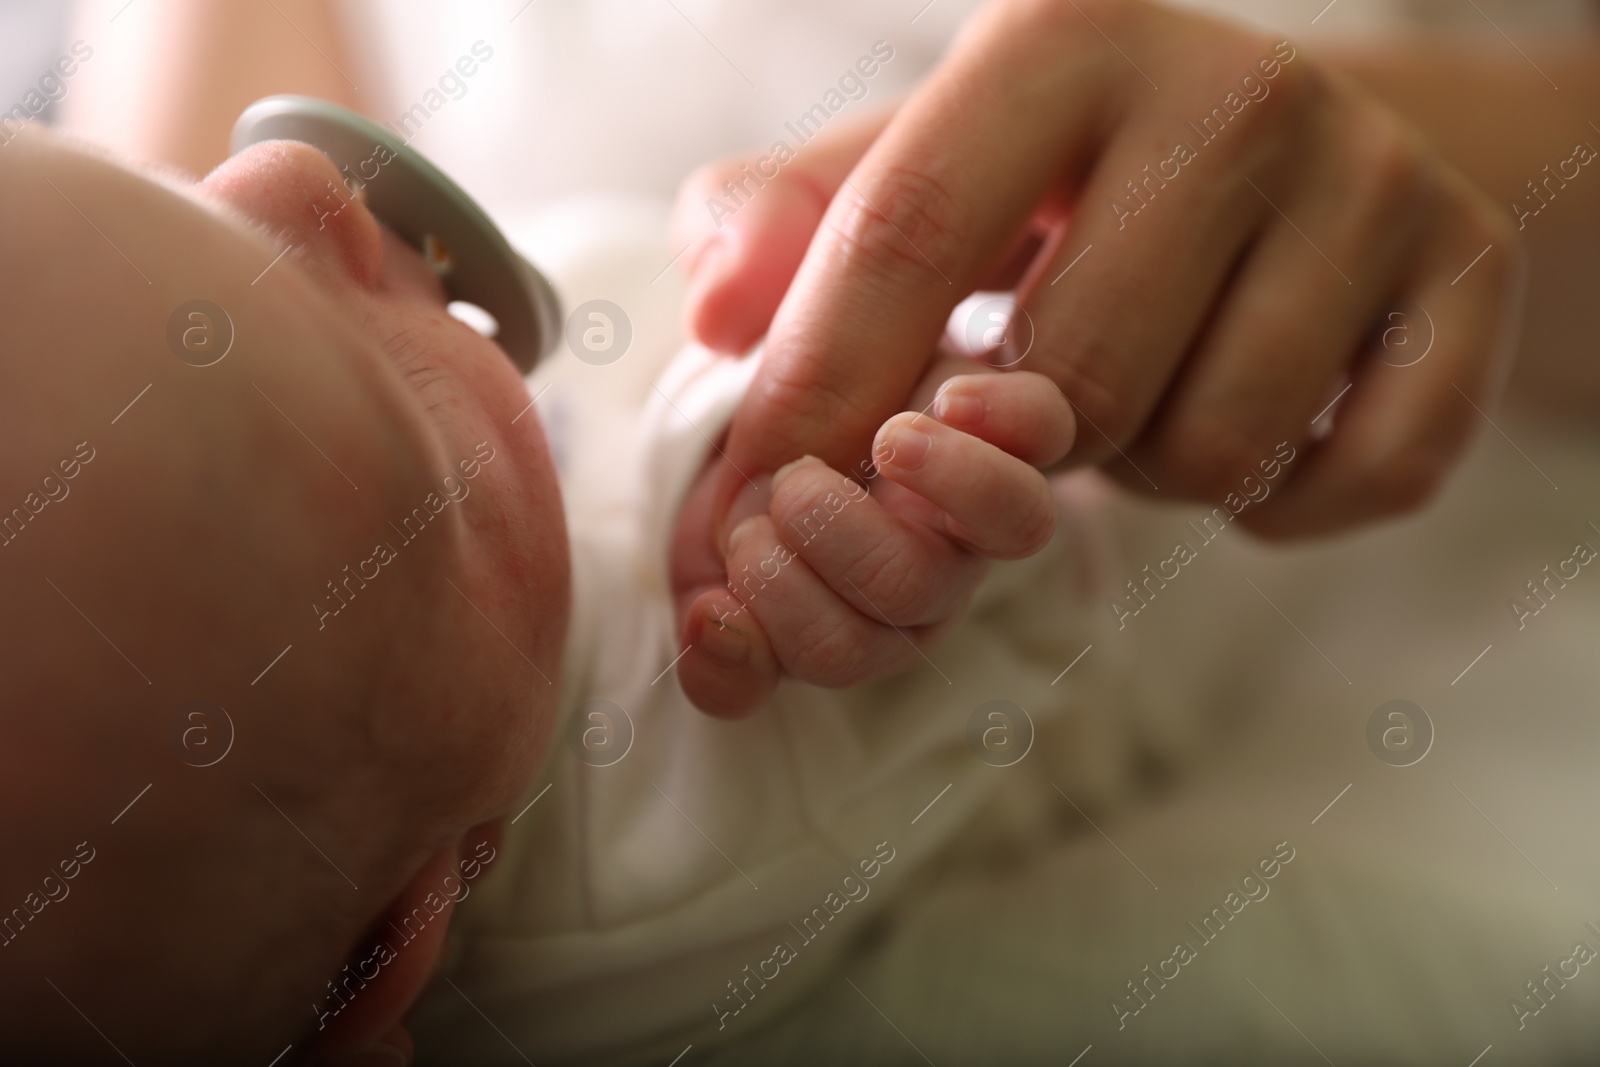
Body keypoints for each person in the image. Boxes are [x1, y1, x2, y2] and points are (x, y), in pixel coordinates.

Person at [0, 124, 1076, 1063]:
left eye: (156, 187)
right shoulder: (656, 850)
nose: (288, 174)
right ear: (385, 957)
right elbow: (1049, 620)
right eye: (402, 409)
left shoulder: (406, 628)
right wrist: (841, 480)